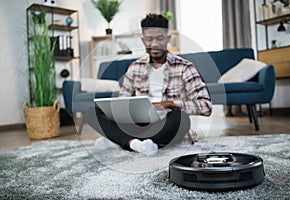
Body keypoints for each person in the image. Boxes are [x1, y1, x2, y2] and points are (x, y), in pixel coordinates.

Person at [85, 13, 212, 155]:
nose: (155, 44)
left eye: (160, 38)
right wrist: (125, 108)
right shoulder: (135, 67)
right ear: (143, 40)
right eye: (149, 39)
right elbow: (122, 99)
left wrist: (170, 103)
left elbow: (206, 106)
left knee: (181, 119)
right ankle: (135, 143)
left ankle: (121, 141)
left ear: (168, 39)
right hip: (138, 124)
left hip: (166, 125)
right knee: (92, 112)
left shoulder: (185, 67)